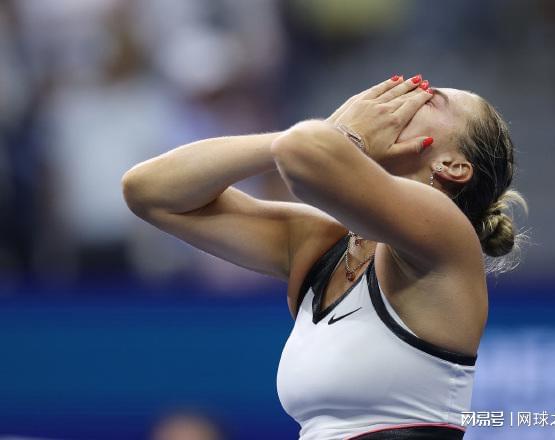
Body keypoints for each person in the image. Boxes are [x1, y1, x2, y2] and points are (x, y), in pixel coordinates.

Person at [122, 74, 527, 439]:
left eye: (429, 99)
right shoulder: (322, 246)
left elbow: (303, 154)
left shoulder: (446, 233)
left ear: (453, 166)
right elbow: (148, 191)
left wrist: (342, 137)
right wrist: (330, 137)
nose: (402, 97)